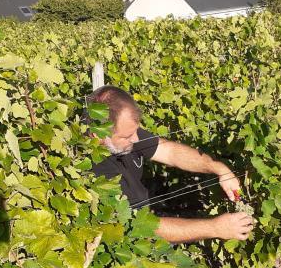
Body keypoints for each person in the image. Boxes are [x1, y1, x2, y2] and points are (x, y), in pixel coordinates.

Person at [89, 85, 254, 244]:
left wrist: (219, 169)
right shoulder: (94, 171)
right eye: (127, 136)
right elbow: (143, 226)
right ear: (98, 135)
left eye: (135, 132)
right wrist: (215, 228)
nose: (136, 140)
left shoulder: (125, 133)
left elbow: (170, 152)